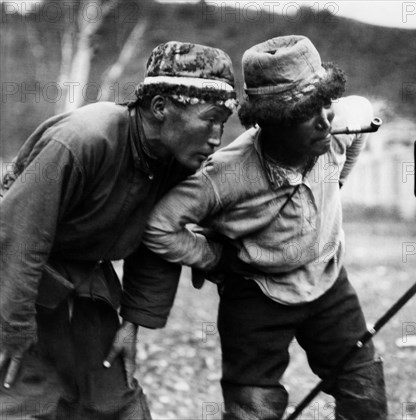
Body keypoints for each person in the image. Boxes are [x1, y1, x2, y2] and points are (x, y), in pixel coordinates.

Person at [143, 35, 388, 419]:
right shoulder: (225, 174)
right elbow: (159, 226)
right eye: (307, 111)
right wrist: (213, 259)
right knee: (252, 412)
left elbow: (360, 110)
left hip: (327, 283)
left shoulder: (333, 129)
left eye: (325, 103)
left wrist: (335, 184)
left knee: (365, 395)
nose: (325, 119)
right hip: (256, 295)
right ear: (271, 122)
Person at [0, 41, 237, 419]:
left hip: (88, 286)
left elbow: (156, 241)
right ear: (160, 107)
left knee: (116, 402)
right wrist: (12, 326)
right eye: (209, 119)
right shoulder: (83, 139)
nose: (216, 138)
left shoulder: (175, 162)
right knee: (24, 399)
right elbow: (19, 236)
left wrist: (132, 324)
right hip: (14, 282)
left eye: (222, 124)